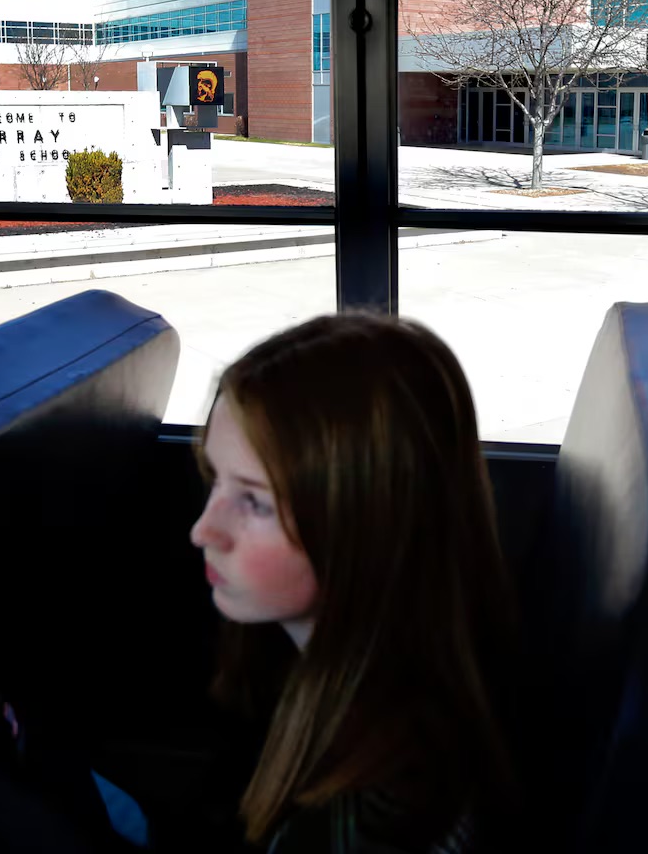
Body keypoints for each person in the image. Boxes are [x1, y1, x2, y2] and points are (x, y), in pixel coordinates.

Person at [191, 313, 518, 853]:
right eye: (214, 477)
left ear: (363, 526)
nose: (203, 530)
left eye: (253, 501)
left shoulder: (373, 822)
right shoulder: (331, 673)